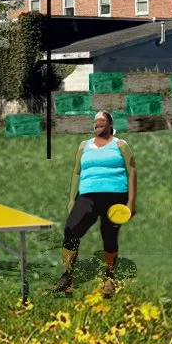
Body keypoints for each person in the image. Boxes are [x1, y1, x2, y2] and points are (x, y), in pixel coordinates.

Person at [55, 110, 137, 294]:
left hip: (116, 196)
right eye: (95, 121)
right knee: (71, 230)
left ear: (110, 124)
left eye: (101, 120)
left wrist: (131, 202)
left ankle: (109, 279)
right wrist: (71, 199)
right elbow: (77, 171)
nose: (97, 123)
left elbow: (132, 170)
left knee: (109, 235)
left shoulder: (121, 145)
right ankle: (67, 276)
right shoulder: (84, 145)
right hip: (87, 196)